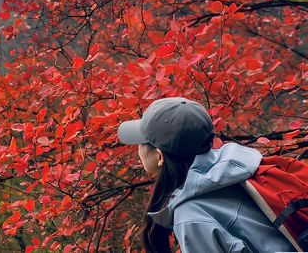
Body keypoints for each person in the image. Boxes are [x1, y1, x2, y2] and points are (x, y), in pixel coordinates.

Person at [117, 97, 296, 253]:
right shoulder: (240, 166)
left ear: (159, 156)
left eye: (141, 142)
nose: (138, 148)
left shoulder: (190, 216)